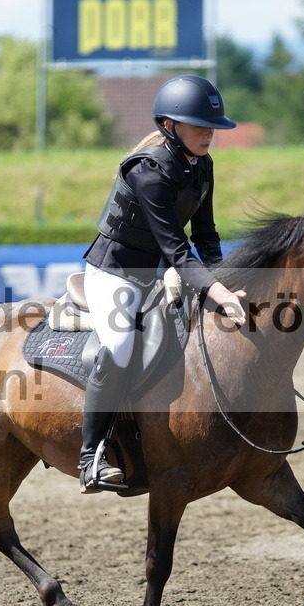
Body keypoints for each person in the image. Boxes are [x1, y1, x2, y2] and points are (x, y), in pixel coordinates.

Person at [78, 74, 248, 493]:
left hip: (157, 271)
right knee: (120, 344)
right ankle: (91, 457)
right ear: (170, 126)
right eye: (199, 125)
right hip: (114, 272)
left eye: (213, 126)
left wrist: (222, 279)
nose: (210, 134)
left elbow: (205, 235)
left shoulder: (201, 165)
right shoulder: (149, 173)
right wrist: (218, 291)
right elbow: (176, 249)